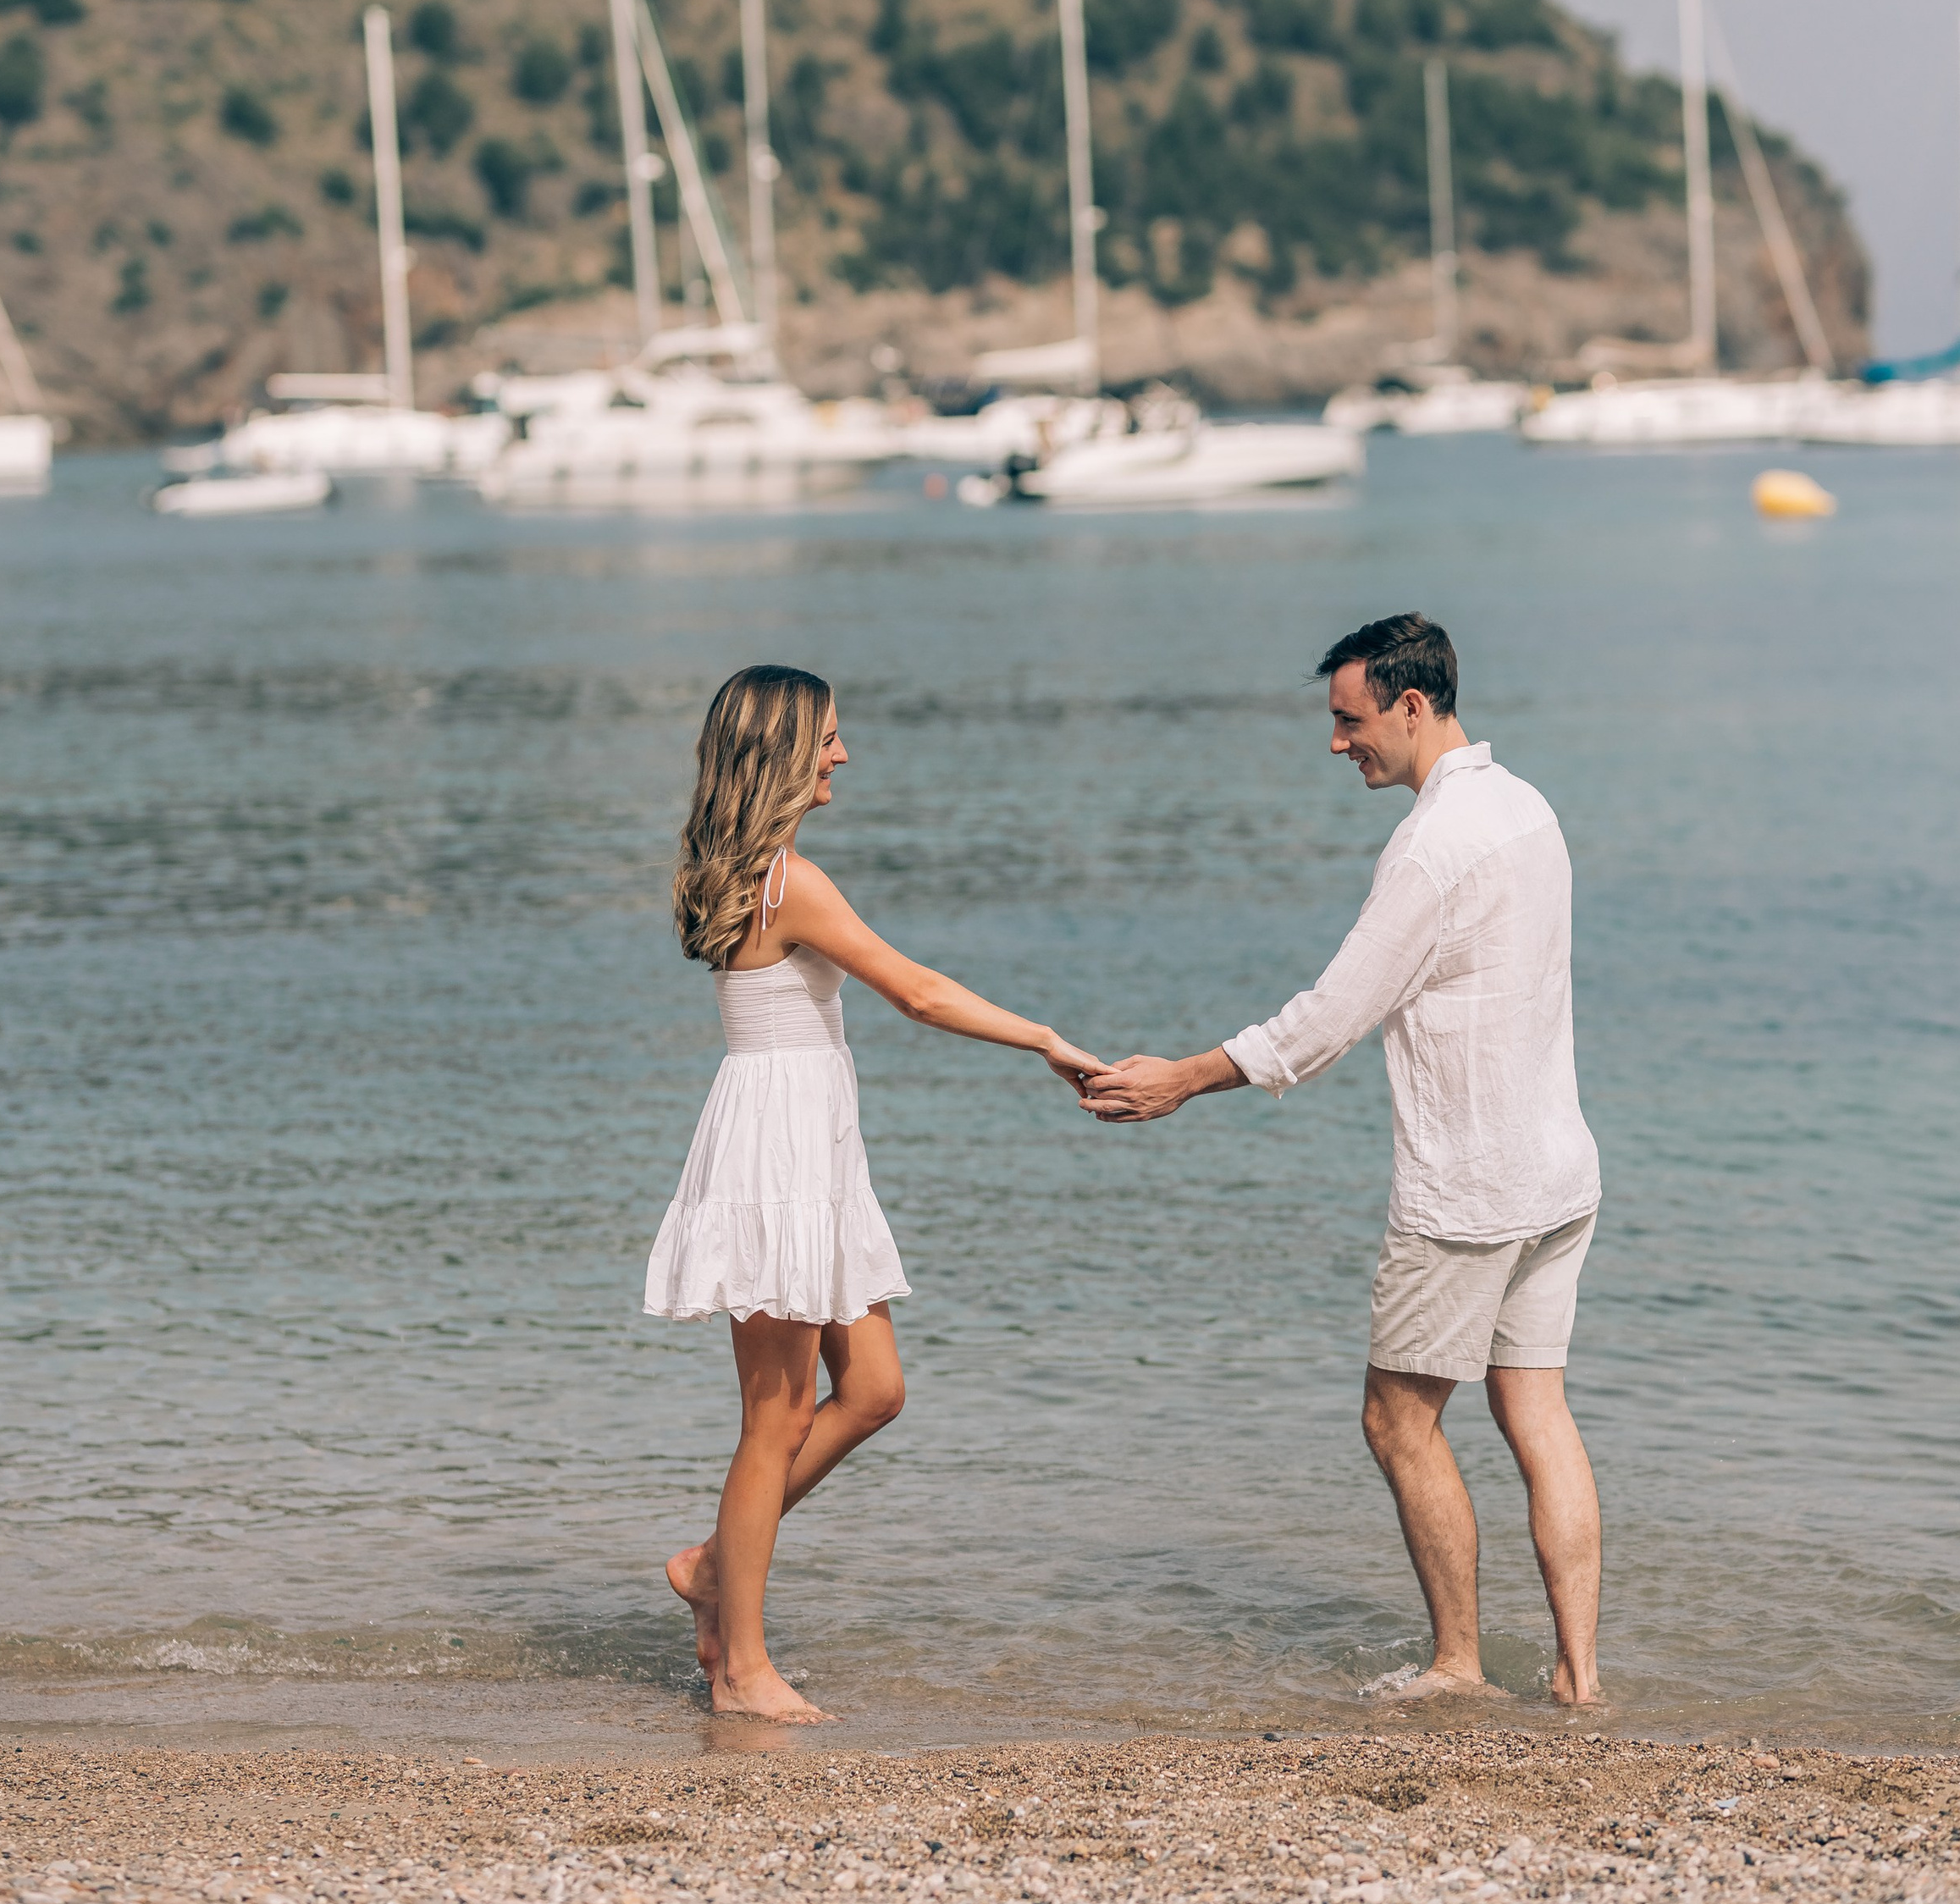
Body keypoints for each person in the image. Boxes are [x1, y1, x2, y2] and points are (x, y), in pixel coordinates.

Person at [1080, 611, 1604, 1707]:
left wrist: (1182, 1078)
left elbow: (1327, 1019)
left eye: (1348, 720)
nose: (1336, 743)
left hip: (1469, 1190)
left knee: (1397, 1419)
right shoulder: (1529, 806)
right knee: (1538, 1414)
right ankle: (1579, 1679)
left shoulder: (1431, 845)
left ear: (1411, 705)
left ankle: (1457, 1667)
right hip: (1558, 1172)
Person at [649, 662, 1098, 1722]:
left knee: (875, 1390)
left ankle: (714, 1565)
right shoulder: (788, 882)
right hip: (778, 1161)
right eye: (827, 740)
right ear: (779, 753)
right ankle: (742, 1670)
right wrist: (1043, 1038)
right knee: (772, 1419)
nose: (842, 755)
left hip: (809, 1149)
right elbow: (919, 992)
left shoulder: (757, 873)